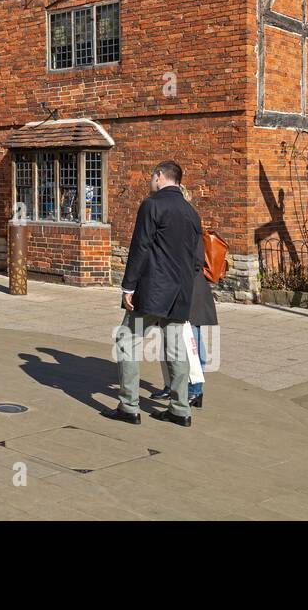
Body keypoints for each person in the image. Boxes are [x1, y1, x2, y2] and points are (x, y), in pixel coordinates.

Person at [106, 161, 202, 428]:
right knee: (175, 347)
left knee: (127, 341)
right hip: (180, 291)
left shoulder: (152, 205)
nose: (151, 182)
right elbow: (197, 260)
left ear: (159, 177)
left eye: (152, 177)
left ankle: (128, 406)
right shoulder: (191, 212)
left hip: (152, 290)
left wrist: (128, 286)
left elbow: (140, 247)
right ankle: (180, 408)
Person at [157, 184, 219, 409]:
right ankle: (173, 385)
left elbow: (195, 260)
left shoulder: (189, 222)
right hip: (180, 287)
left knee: (192, 341)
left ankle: (195, 389)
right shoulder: (182, 220)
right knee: (173, 339)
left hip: (191, 289)